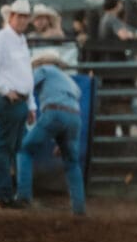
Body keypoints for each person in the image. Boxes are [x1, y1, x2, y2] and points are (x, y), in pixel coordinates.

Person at [0, 0, 36, 207]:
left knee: (15, 147)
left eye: (25, 16)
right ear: (11, 17)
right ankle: (4, 195)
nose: (22, 20)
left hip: (18, 101)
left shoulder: (20, 40)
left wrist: (31, 105)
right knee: (7, 148)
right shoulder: (1, 38)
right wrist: (4, 89)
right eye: (19, 16)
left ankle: (9, 194)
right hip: (9, 101)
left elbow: (26, 75)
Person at [14, 51, 86, 215]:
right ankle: (79, 209)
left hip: (54, 112)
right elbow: (71, 106)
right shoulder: (70, 81)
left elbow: (26, 86)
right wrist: (63, 140)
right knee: (72, 163)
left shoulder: (44, 70)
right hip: (74, 118)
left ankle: (23, 197)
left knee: (25, 150)